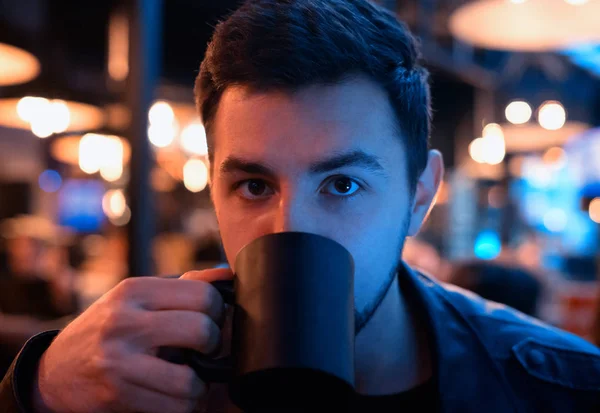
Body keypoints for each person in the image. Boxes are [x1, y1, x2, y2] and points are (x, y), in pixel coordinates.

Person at [2, 0, 600, 411]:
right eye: (255, 187)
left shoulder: (560, 388)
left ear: (420, 194)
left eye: (341, 185)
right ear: (214, 192)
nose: (291, 227)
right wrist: (38, 392)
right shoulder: (139, 380)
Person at [0, 216, 77, 378]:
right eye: (17, 245)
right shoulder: (6, 281)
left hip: (46, 366)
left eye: (30, 246)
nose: (22, 252)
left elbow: (70, 323)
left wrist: (59, 282)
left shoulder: (53, 283)